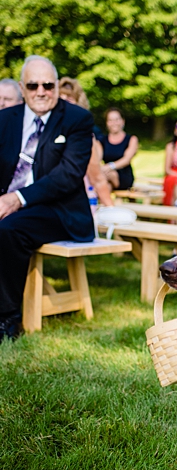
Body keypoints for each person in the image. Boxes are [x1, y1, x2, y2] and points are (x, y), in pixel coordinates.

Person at [0, 55, 94, 341]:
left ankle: (7, 320)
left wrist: (16, 198)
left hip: (59, 210)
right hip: (10, 202)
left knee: (8, 229)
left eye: (48, 85)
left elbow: (67, 175)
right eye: (32, 85)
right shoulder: (5, 118)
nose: (41, 91)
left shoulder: (77, 119)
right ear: (22, 87)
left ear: (55, 85)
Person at [58, 77, 113, 207]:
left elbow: (97, 179)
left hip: (76, 207)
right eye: (61, 99)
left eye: (69, 99)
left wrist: (112, 210)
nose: (64, 104)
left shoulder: (83, 136)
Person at [97, 108, 139, 191]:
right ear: (107, 123)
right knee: (106, 186)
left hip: (123, 175)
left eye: (117, 119)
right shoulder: (101, 140)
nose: (114, 123)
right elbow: (97, 158)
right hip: (105, 173)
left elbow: (126, 160)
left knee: (108, 176)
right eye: (111, 120)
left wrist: (109, 166)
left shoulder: (131, 139)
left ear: (122, 121)